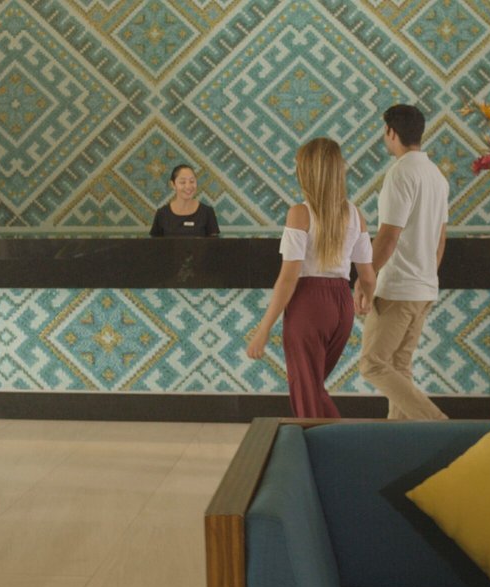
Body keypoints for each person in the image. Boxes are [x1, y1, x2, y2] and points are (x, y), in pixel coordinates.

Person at [246, 138, 376, 418]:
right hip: (342, 307)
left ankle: (341, 440)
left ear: (307, 171)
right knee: (313, 388)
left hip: (309, 304)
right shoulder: (356, 214)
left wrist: (263, 328)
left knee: (307, 392)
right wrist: (365, 296)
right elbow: (367, 275)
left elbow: (288, 278)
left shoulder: (300, 214)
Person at [354, 104, 449, 420]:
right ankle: (400, 436)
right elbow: (440, 238)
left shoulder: (400, 173)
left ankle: (436, 423)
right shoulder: (436, 176)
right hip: (424, 288)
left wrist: (366, 277)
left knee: (372, 364)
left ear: (391, 132)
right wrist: (426, 275)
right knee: (398, 366)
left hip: (398, 289)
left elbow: (388, 235)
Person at [150, 164, 220, 237]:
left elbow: (214, 243)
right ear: (173, 184)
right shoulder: (162, 214)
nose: (188, 186)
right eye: (182, 182)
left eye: (192, 181)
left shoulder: (207, 212)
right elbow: (154, 243)